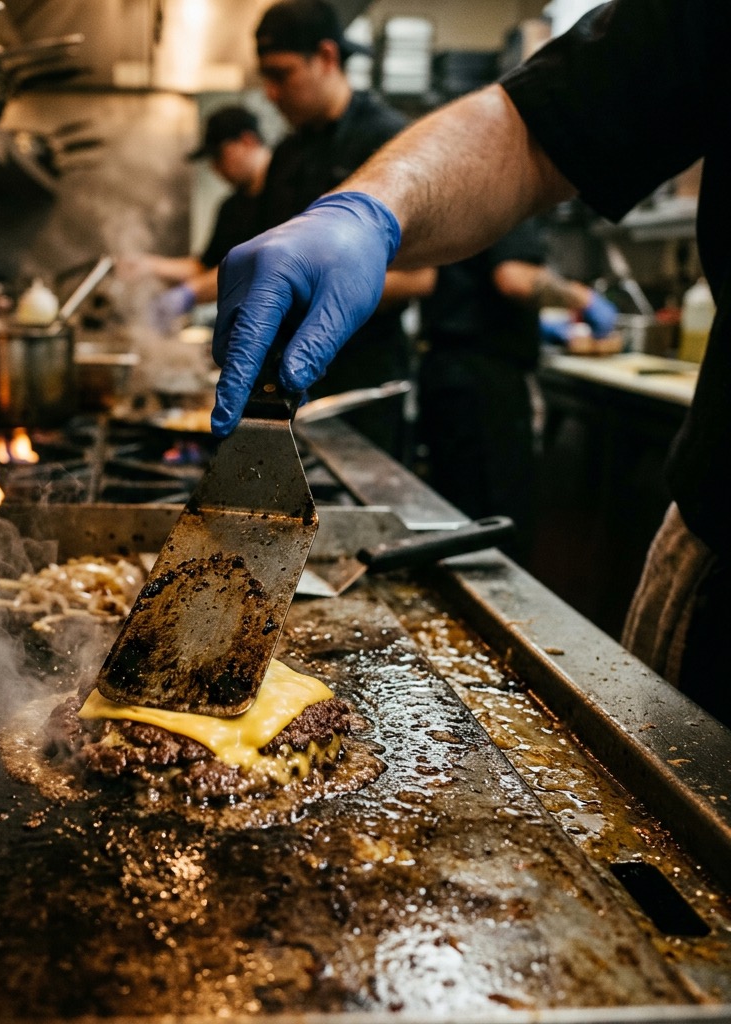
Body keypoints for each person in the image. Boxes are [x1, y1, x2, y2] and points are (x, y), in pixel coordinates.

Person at [210, 0, 730, 721]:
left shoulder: (370, 123)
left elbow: (510, 270)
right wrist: (368, 208)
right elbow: (535, 128)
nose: (269, 92)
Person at [248, 0, 433, 456]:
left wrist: (318, 286)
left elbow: (419, 277)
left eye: (282, 74)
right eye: (265, 78)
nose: (271, 93)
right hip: (287, 379)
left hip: (363, 382)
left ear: (327, 57)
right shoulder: (288, 155)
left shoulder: (389, 142)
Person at [416, 219, 618, 562]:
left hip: (449, 373)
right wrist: (584, 298)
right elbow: (516, 279)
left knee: (456, 519)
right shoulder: (507, 195)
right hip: (484, 384)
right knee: (493, 530)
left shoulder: (463, 198)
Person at [127, 105, 272, 330]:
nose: (215, 168)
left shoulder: (288, 191)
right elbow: (206, 266)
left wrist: (189, 294)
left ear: (247, 141)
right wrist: (150, 266)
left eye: (218, 155)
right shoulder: (231, 207)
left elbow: (263, 265)